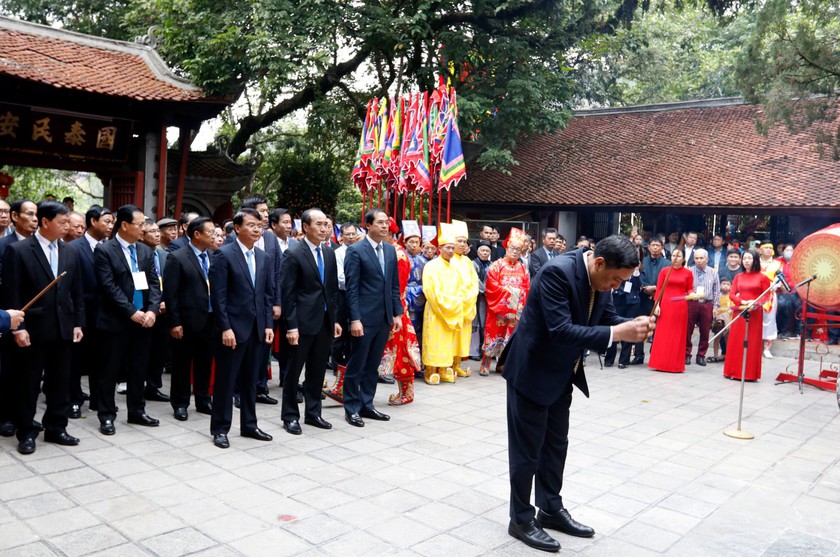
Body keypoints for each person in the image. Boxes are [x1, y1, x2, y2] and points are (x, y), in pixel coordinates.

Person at [502, 235, 653, 552]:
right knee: (527, 451)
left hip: (562, 373)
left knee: (556, 446)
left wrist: (631, 323)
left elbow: (605, 317)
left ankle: (551, 509)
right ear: (599, 263)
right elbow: (561, 330)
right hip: (532, 370)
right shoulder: (557, 273)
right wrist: (616, 334)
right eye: (614, 279)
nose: (615, 286)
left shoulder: (600, 279)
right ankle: (520, 518)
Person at [2, 200, 85, 455]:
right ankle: (26, 430)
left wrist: (78, 322)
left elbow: (76, 293)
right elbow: (12, 294)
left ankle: (56, 427)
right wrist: (18, 328)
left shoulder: (70, 251)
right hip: (33, 329)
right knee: (28, 383)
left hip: (63, 328)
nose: (66, 227)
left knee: (60, 381)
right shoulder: (19, 250)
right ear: (45, 221)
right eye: (62, 223)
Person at [208, 208, 275, 448]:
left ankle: (249, 425)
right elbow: (218, 297)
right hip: (232, 331)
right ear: (237, 228)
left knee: (250, 381)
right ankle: (220, 429)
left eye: (259, 226)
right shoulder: (224, 255)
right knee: (226, 382)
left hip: (257, 330)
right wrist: (225, 328)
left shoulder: (263, 257)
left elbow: (267, 296)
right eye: (251, 225)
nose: (257, 229)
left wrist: (268, 325)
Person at [94, 205, 162, 435]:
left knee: (138, 368)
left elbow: (153, 282)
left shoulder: (144, 251)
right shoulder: (105, 251)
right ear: (124, 225)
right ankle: (106, 415)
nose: (145, 228)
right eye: (140, 224)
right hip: (117, 321)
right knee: (109, 370)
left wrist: (152, 310)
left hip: (144, 320)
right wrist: (131, 311)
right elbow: (108, 287)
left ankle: (137, 411)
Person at [280, 208, 340, 434]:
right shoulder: (294, 254)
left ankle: (313, 413)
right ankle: (290, 416)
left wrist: (334, 319)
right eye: (319, 224)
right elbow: (288, 294)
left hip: (324, 322)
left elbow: (331, 290)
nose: (325, 229)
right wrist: (291, 325)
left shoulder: (329, 253)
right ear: (305, 227)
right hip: (302, 323)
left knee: (317, 371)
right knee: (293, 372)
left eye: (326, 224)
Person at [343, 209, 402, 427]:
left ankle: (367, 404)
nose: (385, 226)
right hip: (364, 318)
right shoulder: (356, 251)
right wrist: (355, 319)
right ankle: (351, 407)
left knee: (372, 365)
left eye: (386, 223)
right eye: (380, 222)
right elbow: (352, 289)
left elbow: (393, 285)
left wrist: (397, 313)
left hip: (384, 317)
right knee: (357, 363)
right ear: (368, 225)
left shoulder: (389, 250)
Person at [163, 217, 216, 421]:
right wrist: (174, 322)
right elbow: (171, 293)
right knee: (182, 364)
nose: (214, 236)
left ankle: (203, 399)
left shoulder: (212, 256)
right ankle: (180, 403)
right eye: (210, 232)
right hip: (186, 320)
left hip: (210, 319)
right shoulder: (177, 257)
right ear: (197, 234)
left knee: (205, 361)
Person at [66, 206, 113, 418]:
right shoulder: (74, 248)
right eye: (107, 221)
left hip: (107, 314)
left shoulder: (111, 248)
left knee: (103, 359)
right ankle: (74, 399)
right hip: (82, 313)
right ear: (93, 222)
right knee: (76, 360)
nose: (111, 226)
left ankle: (98, 399)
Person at [378, 220, 421, 405]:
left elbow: (399, 288)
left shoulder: (398, 255)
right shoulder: (387, 251)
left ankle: (407, 392)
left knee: (401, 351)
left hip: (395, 310)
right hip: (385, 308)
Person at [480, 232, 530, 376]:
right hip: (499, 309)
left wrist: (519, 304)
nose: (515, 251)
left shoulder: (523, 268)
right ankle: (486, 362)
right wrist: (511, 293)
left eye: (518, 249)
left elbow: (526, 288)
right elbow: (491, 286)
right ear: (506, 249)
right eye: (512, 248)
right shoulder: (497, 265)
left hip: (516, 310)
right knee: (494, 334)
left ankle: (502, 363)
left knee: (510, 337)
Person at [421, 225, 464, 385]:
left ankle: (445, 369)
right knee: (435, 340)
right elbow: (430, 290)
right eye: (448, 247)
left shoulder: (455, 268)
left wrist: (456, 303)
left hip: (452, 310)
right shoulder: (431, 266)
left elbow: (460, 289)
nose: (451, 250)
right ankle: (430, 370)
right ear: (440, 248)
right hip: (436, 310)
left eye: (453, 247)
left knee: (448, 341)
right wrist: (447, 305)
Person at [724, 250, 772, 381]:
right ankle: (733, 371)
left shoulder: (763, 277)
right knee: (736, 340)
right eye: (744, 258)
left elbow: (766, 296)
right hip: (739, 311)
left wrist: (755, 303)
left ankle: (750, 374)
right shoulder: (738, 276)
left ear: (755, 260)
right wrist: (742, 301)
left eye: (749, 258)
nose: (746, 261)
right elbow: (732, 294)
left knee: (752, 342)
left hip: (754, 313)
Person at [648, 249, 694, 373]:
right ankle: (659, 363)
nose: (676, 258)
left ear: (683, 259)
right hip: (666, 304)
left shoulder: (688, 273)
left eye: (679, 256)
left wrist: (693, 294)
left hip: (680, 306)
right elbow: (659, 289)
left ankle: (675, 364)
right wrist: (657, 305)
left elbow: (689, 289)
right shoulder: (664, 271)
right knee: (663, 334)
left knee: (677, 335)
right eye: (673, 255)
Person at [604, 256, 642, 369]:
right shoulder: (620, 267)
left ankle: (624, 360)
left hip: (632, 303)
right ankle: (609, 359)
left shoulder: (638, 271)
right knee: (613, 328)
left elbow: (638, 285)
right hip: (618, 300)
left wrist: (636, 271)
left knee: (629, 328)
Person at [452, 220, 478, 378]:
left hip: (467, 304)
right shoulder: (449, 260)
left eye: (464, 242)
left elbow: (474, 282)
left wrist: (470, 296)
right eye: (459, 241)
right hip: (454, 305)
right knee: (452, 337)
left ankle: (457, 365)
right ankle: (448, 365)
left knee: (463, 337)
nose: (462, 244)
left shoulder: (468, 261)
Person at [685, 249, 720, 367]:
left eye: (701, 258)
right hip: (692, 303)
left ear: (707, 259)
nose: (699, 261)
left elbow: (716, 291)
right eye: (696, 258)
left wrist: (715, 307)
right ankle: (686, 354)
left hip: (707, 303)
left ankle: (701, 355)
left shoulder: (713, 272)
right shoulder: (689, 271)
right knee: (687, 330)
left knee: (705, 331)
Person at [637, 237, 669, 364]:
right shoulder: (642, 261)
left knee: (658, 328)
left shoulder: (667, 264)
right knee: (641, 326)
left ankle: (654, 354)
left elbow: (668, 281)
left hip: (660, 299)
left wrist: (655, 288)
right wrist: (645, 287)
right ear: (648, 247)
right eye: (653, 245)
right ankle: (639, 355)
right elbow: (638, 276)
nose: (655, 247)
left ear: (662, 248)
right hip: (643, 298)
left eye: (658, 245)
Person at [758, 243, 782, 358]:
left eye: (771, 248)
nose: (768, 250)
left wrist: (772, 286)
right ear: (761, 250)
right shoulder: (755, 261)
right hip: (755, 294)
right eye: (766, 248)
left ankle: (767, 348)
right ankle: (755, 345)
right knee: (755, 318)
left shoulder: (777, 264)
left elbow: (780, 279)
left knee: (769, 320)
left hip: (770, 295)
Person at [470, 241, 492, 361]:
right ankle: (473, 351)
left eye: (487, 251)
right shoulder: (473, 264)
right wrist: (485, 290)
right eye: (482, 250)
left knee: (485, 323)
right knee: (476, 323)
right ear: (477, 252)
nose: (485, 253)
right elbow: (474, 279)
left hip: (488, 298)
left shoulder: (492, 264)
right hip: (476, 297)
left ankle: (485, 349)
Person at [709, 278, 733, 363]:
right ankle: (715, 355)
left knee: (727, 338)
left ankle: (729, 356)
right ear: (720, 285)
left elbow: (732, 309)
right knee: (717, 337)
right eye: (723, 284)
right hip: (718, 321)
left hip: (727, 321)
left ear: (731, 286)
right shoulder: (717, 296)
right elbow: (714, 307)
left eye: (728, 284)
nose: (725, 286)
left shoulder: (731, 296)